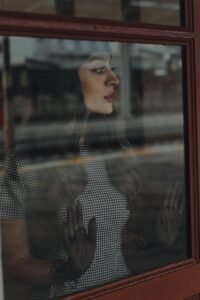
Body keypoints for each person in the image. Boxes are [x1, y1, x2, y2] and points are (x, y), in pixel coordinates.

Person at [0, 50, 143, 299]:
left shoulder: (116, 149)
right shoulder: (22, 162)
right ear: (64, 83)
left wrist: (162, 238)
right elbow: (17, 265)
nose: (114, 79)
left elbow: (116, 234)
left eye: (111, 68)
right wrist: (66, 270)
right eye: (99, 70)